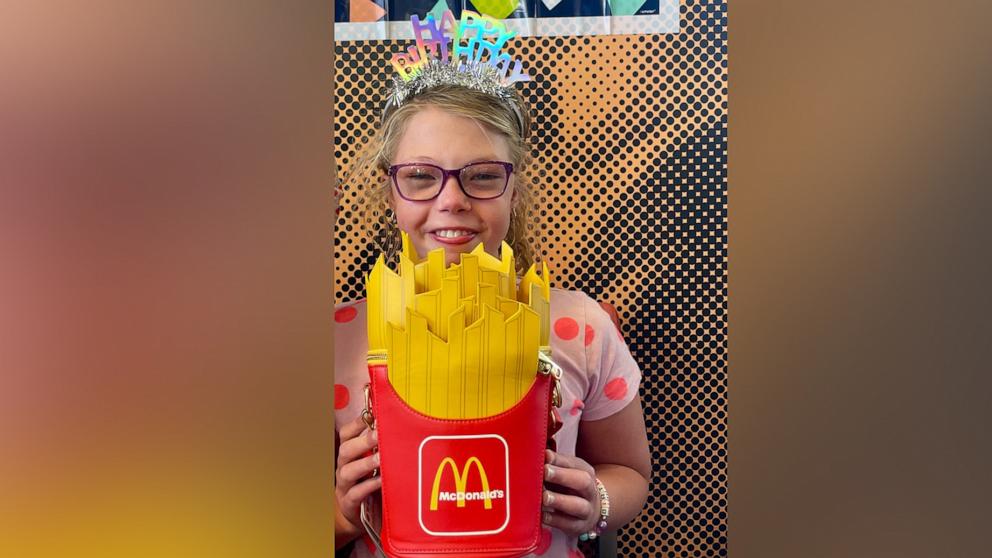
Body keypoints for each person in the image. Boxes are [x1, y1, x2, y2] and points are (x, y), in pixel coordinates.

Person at [334, 22, 651, 558]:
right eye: (420, 176)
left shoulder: (580, 327)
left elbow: (629, 473)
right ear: (390, 188)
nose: (452, 199)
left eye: (481, 176)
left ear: (514, 188)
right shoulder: (338, 337)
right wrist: (343, 514)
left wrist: (596, 500)